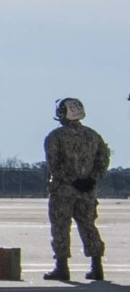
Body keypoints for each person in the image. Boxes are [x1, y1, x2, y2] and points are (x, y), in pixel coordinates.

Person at [44, 98, 109, 282]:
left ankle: (62, 267)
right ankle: (97, 267)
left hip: (63, 190)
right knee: (88, 225)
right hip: (87, 191)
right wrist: (91, 179)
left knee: (60, 227)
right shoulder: (93, 136)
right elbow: (103, 161)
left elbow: (53, 165)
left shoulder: (55, 137)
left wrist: (72, 180)